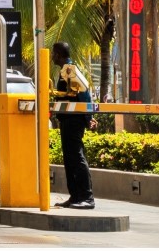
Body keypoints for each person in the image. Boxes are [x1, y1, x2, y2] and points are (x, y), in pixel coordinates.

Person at [52, 42, 96, 209]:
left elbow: (84, 95)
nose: (52, 58)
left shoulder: (70, 69)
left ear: (59, 54)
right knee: (70, 159)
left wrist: (88, 117)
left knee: (77, 157)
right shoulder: (65, 70)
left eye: (54, 54)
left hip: (74, 120)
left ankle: (86, 197)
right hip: (67, 119)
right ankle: (75, 196)